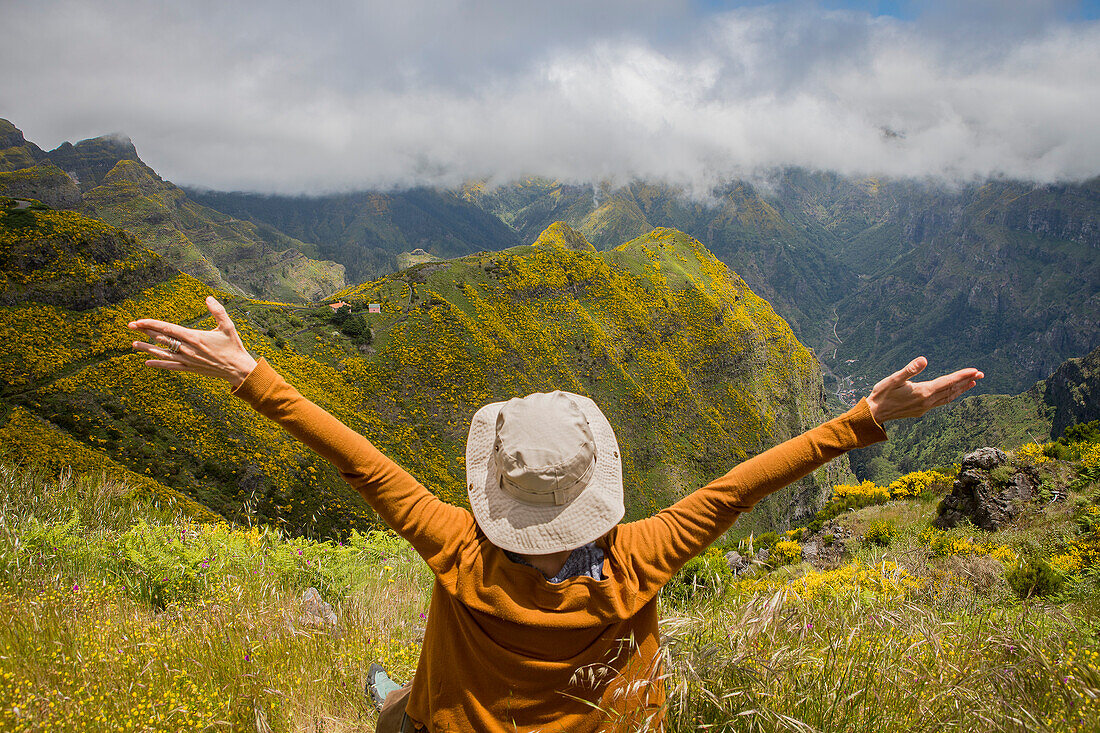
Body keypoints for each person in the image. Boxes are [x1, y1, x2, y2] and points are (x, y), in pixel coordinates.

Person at [129, 296, 983, 733]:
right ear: (597, 487)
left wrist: (250, 373)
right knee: (408, 701)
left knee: (411, 709)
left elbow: (360, 461)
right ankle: (393, 698)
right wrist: (864, 419)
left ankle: (392, 701)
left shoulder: (456, 549)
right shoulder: (647, 552)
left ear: (496, 491)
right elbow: (741, 487)